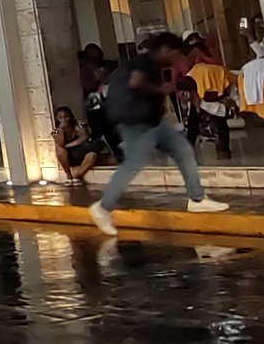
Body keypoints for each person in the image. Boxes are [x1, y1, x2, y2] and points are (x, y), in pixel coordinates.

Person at [89, 31, 230, 234]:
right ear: (165, 50)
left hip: (153, 121)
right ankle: (102, 207)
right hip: (138, 124)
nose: (179, 59)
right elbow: (136, 82)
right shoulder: (145, 62)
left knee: (183, 150)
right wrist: (161, 89)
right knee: (133, 164)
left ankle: (197, 199)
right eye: (177, 53)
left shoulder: (149, 64)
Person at [52, 106, 97, 182]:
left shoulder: (77, 125)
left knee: (92, 155)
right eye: (60, 117)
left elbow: (84, 137)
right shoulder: (55, 129)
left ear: (70, 116)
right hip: (68, 156)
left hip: (80, 152)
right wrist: (61, 129)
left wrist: (70, 145)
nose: (64, 120)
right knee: (60, 151)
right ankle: (68, 176)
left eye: (66, 117)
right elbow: (59, 143)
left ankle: (77, 176)